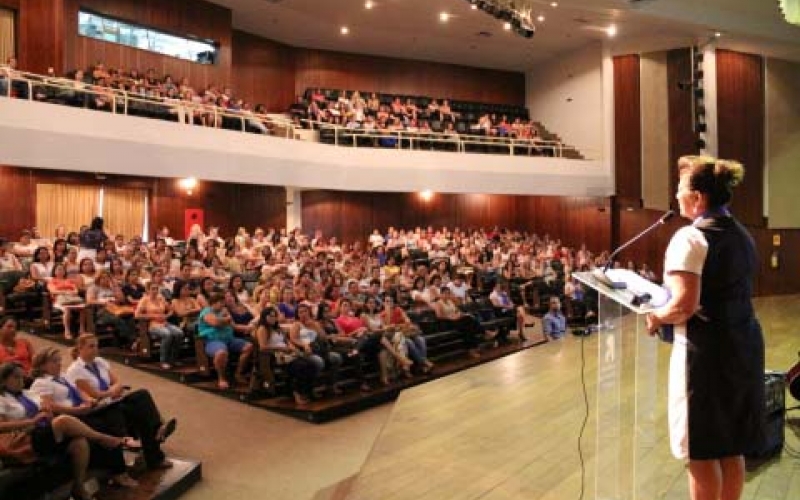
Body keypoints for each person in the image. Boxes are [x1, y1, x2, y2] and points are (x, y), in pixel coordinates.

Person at [645, 156, 765, 500]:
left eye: (681, 189)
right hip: (743, 346)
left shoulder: (691, 237)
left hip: (705, 356)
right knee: (730, 446)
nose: (676, 195)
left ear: (698, 198)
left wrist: (655, 316)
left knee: (700, 452)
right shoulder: (743, 234)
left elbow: (684, 304)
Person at [0, 361, 139, 500]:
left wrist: (46, 412)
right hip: (22, 440)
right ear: (4, 380)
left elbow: (46, 408)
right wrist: (31, 421)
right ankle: (103, 438)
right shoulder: (2, 399)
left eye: (22, 377)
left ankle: (78, 487)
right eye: (16, 377)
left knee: (79, 443)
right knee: (64, 421)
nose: (21, 381)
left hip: (42, 431)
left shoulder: (28, 393)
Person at [65, 334, 177, 470]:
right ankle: (156, 445)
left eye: (96, 346)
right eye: (91, 346)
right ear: (80, 348)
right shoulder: (75, 370)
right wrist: (112, 392)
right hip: (100, 408)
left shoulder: (100, 362)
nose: (95, 349)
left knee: (142, 395)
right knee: (140, 411)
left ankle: (158, 430)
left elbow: (118, 382)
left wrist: (111, 392)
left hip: (113, 401)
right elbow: (94, 395)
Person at [197, 292, 254, 389]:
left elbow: (234, 326)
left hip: (229, 339)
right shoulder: (206, 311)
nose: (223, 304)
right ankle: (221, 378)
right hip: (213, 340)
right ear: (213, 303)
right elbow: (215, 322)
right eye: (220, 302)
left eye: (223, 302)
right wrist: (226, 318)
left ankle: (238, 373)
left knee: (249, 346)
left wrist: (249, 327)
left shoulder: (224, 310)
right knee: (221, 353)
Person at [136, 282, 185, 369]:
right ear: (148, 290)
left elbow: (171, 310)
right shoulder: (144, 300)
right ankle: (163, 361)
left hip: (164, 323)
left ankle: (173, 359)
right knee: (167, 334)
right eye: (152, 289)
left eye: (156, 289)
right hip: (153, 325)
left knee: (179, 333)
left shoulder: (161, 298)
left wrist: (166, 316)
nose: (155, 291)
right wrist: (153, 316)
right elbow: (137, 315)